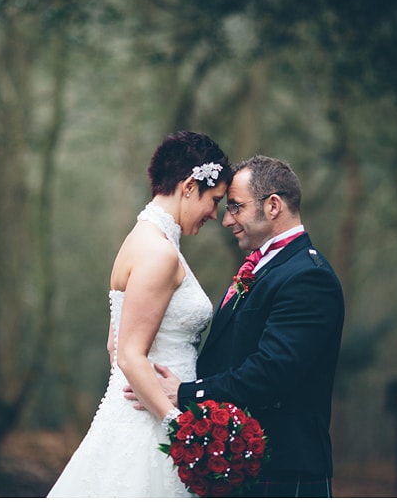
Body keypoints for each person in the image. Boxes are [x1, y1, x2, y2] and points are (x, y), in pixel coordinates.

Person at [126, 155, 345, 497]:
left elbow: (270, 372)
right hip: (241, 466)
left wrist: (186, 394)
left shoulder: (308, 277)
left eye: (236, 207)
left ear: (273, 206)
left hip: (283, 470)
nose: (226, 220)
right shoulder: (265, 267)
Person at [47, 131, 233, 498]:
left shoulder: (141, 240)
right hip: (156, 428)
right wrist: (178, 427)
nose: (216, 213)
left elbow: (113, 344)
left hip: (142, 413)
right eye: (215, 200)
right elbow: (130, 354)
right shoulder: (158, 254)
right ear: (190, 186)